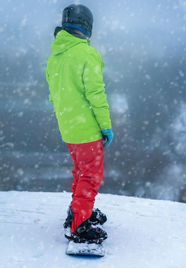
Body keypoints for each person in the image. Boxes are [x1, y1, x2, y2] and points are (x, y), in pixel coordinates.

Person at [46, 4, 113, 244]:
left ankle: (77, 210)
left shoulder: (55, 57)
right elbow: (97, 95)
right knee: (90, 176)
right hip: (87, 129)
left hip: (69, 129)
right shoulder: (87, 54)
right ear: (87, 26)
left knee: (80, 172)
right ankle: (79, 226)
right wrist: (105, 126)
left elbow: (54, 95)